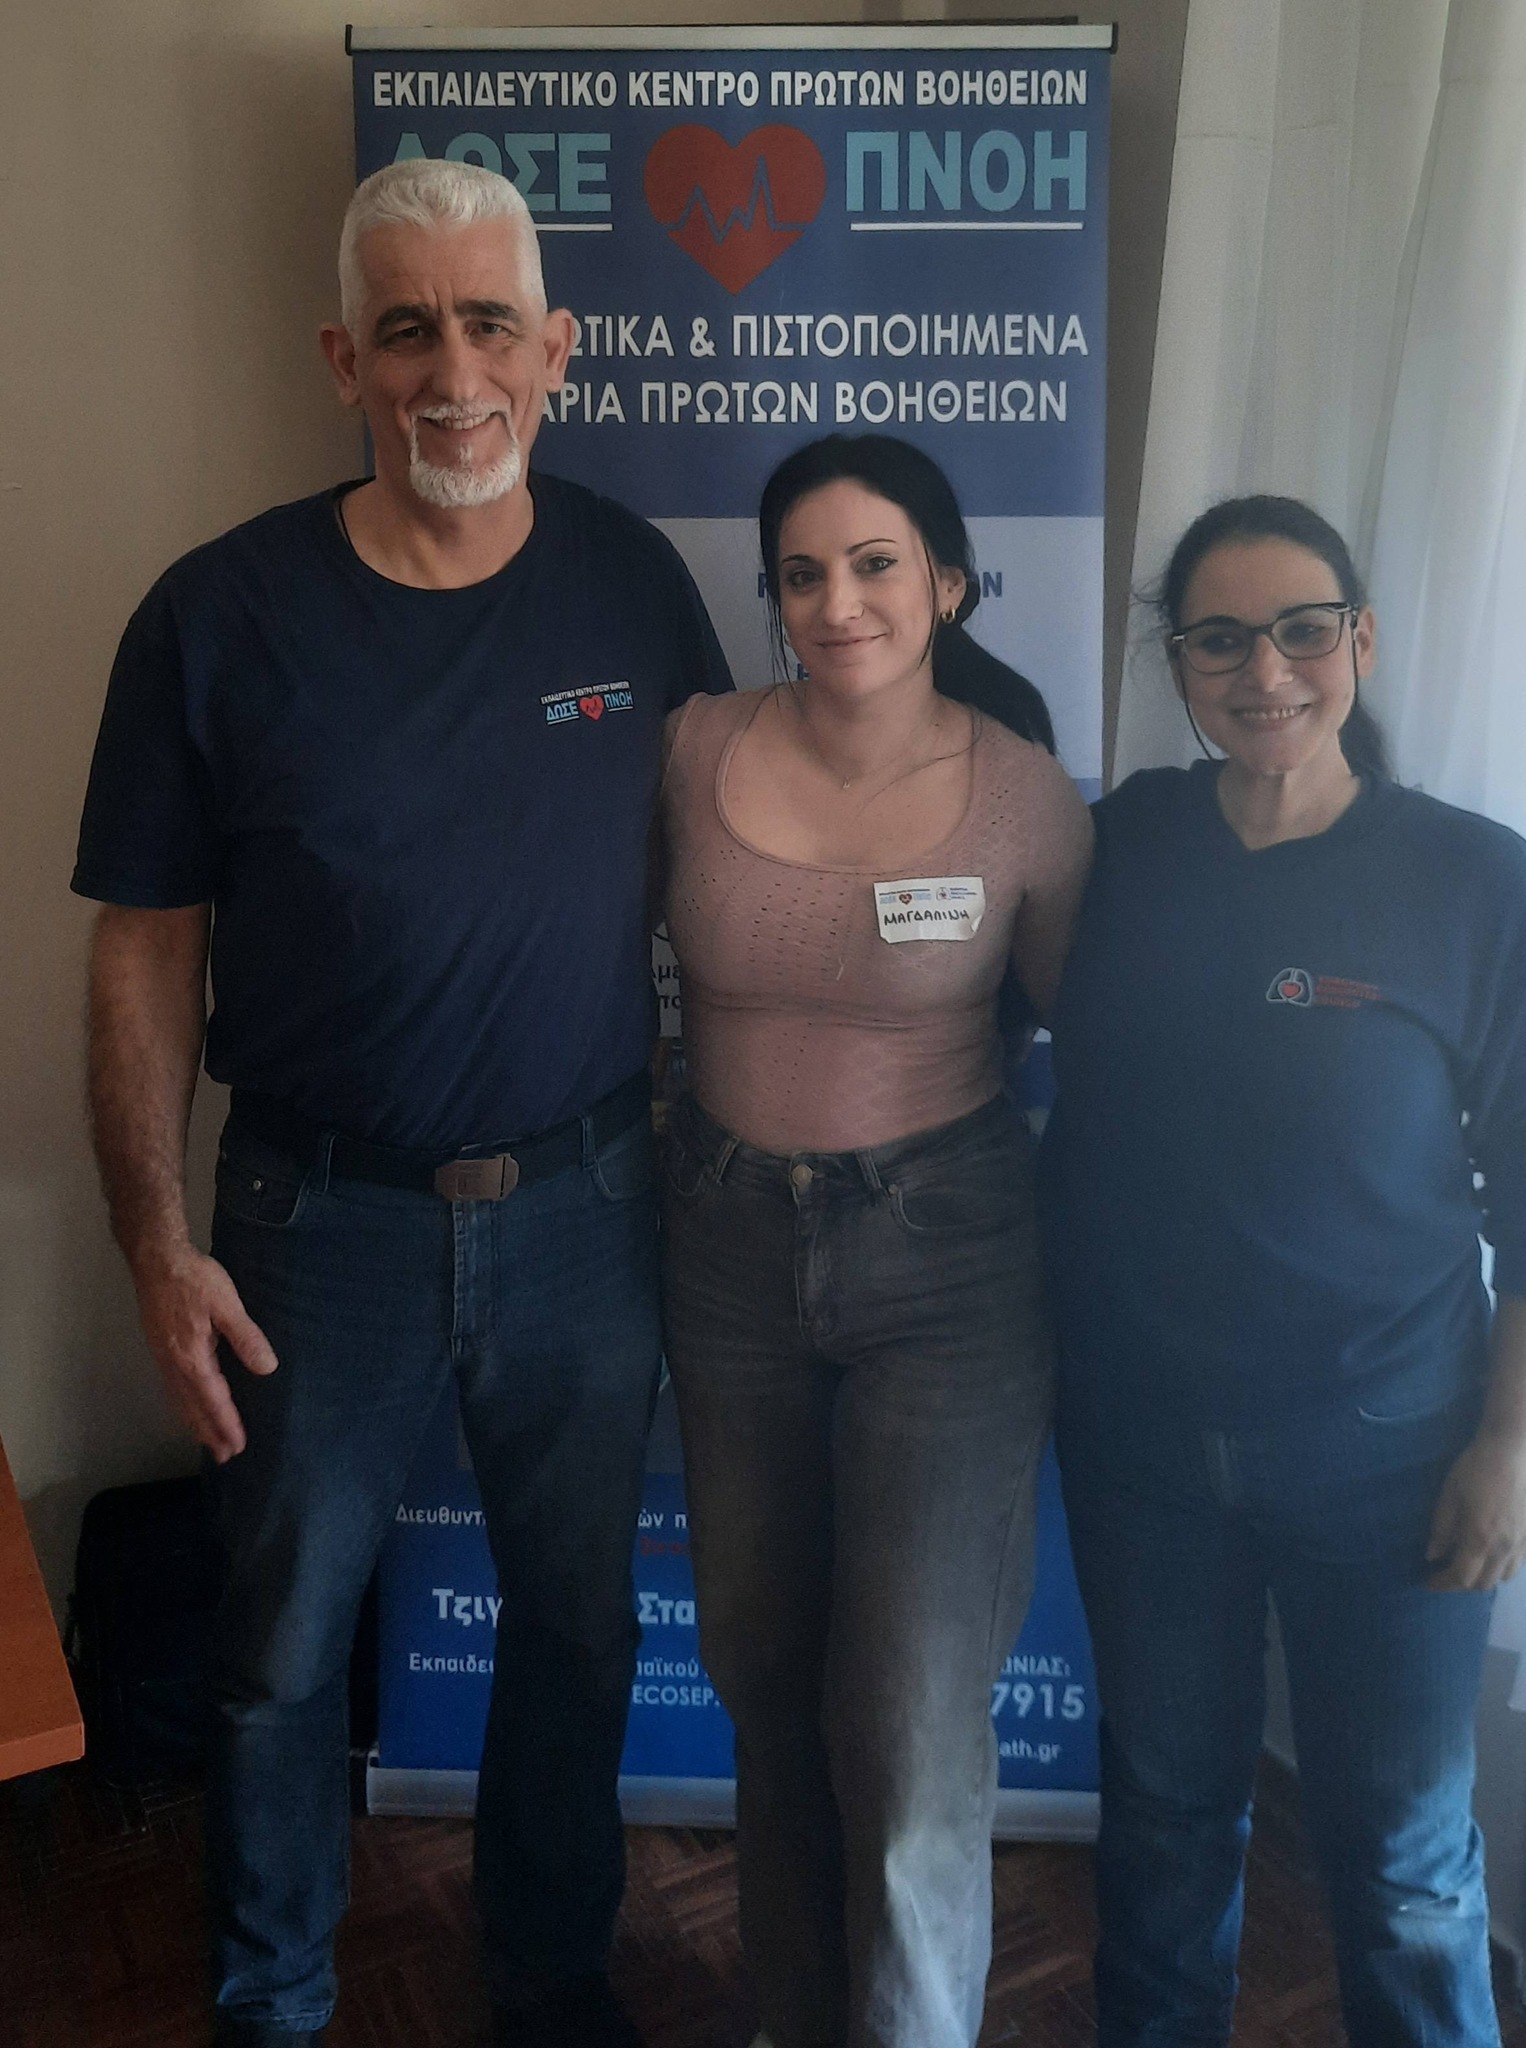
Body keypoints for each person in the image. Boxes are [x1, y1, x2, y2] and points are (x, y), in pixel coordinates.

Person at [72, 159, 730, 2048]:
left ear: (559, 350)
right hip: (310, 1224)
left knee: (580, 1628)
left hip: (588, 1211)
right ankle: (273, 2000)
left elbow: (726, 873)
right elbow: (142, 957)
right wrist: (156, 1251)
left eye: (492, 323)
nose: (456, 373)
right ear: (342, 358)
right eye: (411, 330)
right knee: (279, 1653)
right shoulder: (214, 615)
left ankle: (549, 1976)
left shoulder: (632, 584)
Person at [1041, 494, 1526, 2048]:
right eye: (1220, 640)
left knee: (1406, 1866)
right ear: (1178, 663)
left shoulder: (1470, 880)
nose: (1266, 671)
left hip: (1392, 1454)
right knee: (1164, 1830)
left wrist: (1513, 1444)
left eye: (1302, 630)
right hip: (1144, 1455)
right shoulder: (1122, 847)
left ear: (1359, 640)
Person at [656, 433, 1094, 2048]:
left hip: (948, 1265)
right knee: (764, 1680)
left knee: (908, 1724)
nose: (837, 603)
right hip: (724, 1249)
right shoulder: (693, 747)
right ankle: (793, 2016)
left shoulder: (1025, 796)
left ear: (950, 583)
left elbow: (1093, 1042)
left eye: (876, 564)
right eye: (802, 573)